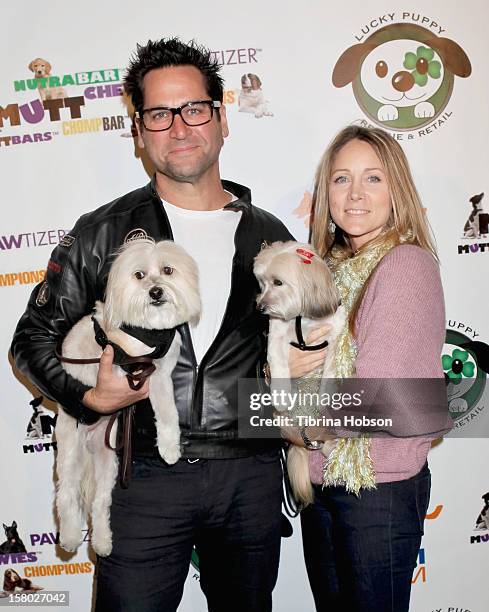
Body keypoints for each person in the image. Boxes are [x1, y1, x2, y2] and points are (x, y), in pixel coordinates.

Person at [11, 38, 293, 612]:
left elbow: (303, 348)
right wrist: (89, 396)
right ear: (139, 131)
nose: (180, 127)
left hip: (250, 479)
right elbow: (30, 341)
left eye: (194, 109)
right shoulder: (102, 233)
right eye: (159, 114)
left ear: (220, 118)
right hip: (142, 481)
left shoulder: (271, 234)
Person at [286, 125, 452, 612]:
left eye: (373, 178)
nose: (355, 193)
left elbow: (373, 398)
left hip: (377, 489)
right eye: (341, 179)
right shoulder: (330, 273)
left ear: (395, 189)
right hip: (326, 485)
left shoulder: (403, 265)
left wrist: (288, 423)